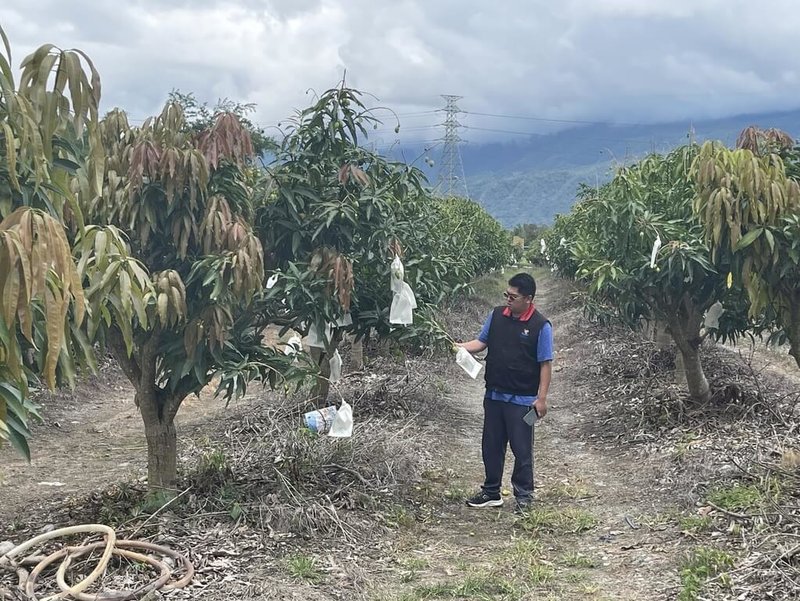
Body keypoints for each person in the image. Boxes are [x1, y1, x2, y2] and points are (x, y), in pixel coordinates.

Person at [457, 272, 553, 513]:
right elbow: (481, 343)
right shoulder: (497, 315)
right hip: (494, 395)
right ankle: (491, 491)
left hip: (522, 400)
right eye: (506, 295)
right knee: (491, 445)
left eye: (514, 296)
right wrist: (457, 346)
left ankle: (524, 496)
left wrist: (541, 399)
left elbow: (545, 364)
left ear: (528, 299)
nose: (508, 300)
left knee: (522, 450)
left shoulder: (541, 326)